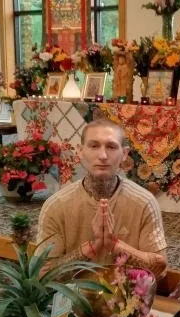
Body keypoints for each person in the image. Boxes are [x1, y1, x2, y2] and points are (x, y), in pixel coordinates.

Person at [37, 118, 168, 279]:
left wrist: (114, 244)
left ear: (125, 154)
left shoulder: (144, 202)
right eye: (94, 146)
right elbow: (43, 274)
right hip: (72, 300)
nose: (103, 155)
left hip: (127, 300)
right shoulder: (56, 206)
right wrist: (93, 247)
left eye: (111, 147)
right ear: (80, 151)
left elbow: (160, 270)